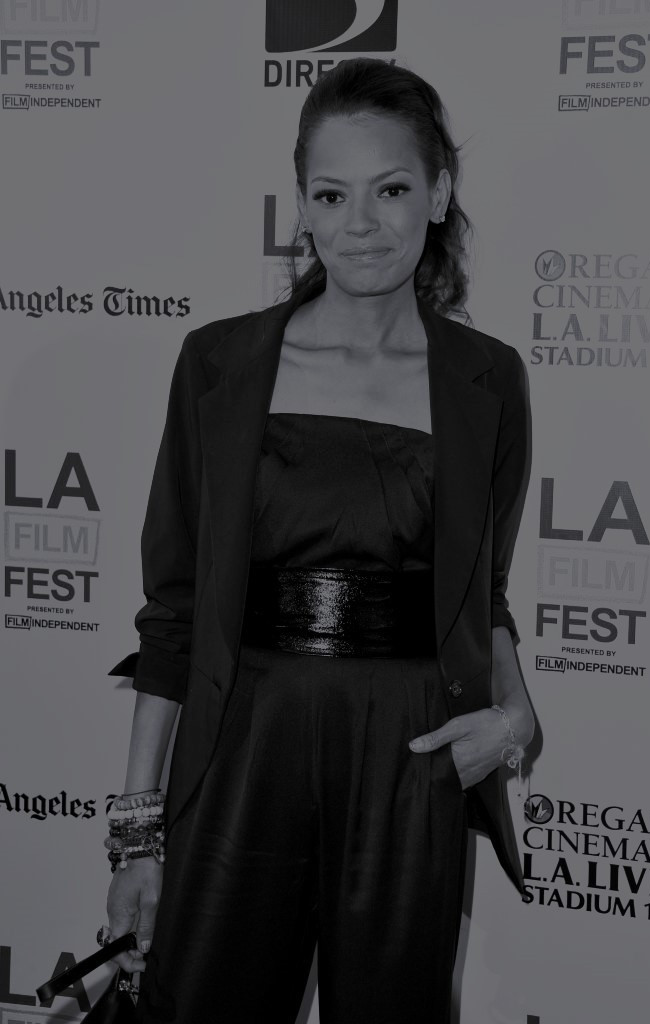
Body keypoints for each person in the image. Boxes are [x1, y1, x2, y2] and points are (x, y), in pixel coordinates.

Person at [104, 57, 535, 1023]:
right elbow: (173, 613)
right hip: (242, 741)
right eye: (332, 195)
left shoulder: (488, 379)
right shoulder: (218, 363)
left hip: (409, 757)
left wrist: (514, 719)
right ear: (301, 205)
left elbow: (484, 597)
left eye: (392, 190)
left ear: (438, 195)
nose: (360, 223)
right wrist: (136, 836)